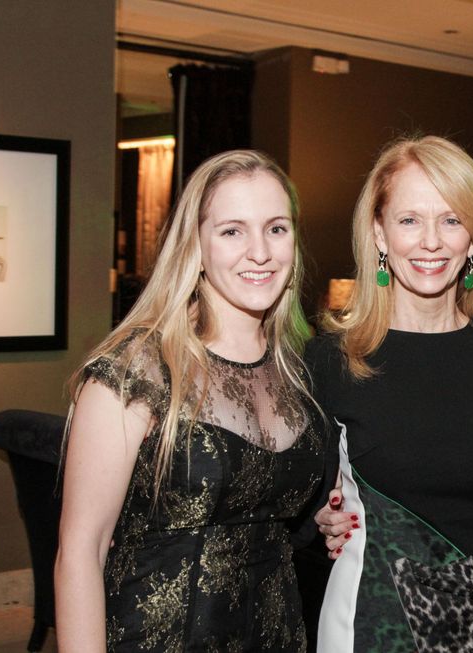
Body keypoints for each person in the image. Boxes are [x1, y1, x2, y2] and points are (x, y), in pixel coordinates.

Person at [55, 150, 325, 652]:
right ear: (195, 246)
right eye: (232, 231)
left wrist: (327, 515)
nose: (260, 252)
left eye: (276, 228)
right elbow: (80, 552)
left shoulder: (298, 370)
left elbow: (284, 506)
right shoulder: (137, 371)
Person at [308, 136, 473, 652]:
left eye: (451, 220)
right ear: (379, 233)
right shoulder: (331, 360)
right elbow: (294, 500)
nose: (431, 242)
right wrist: (320, 515)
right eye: (409, 220)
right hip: (372, 622)